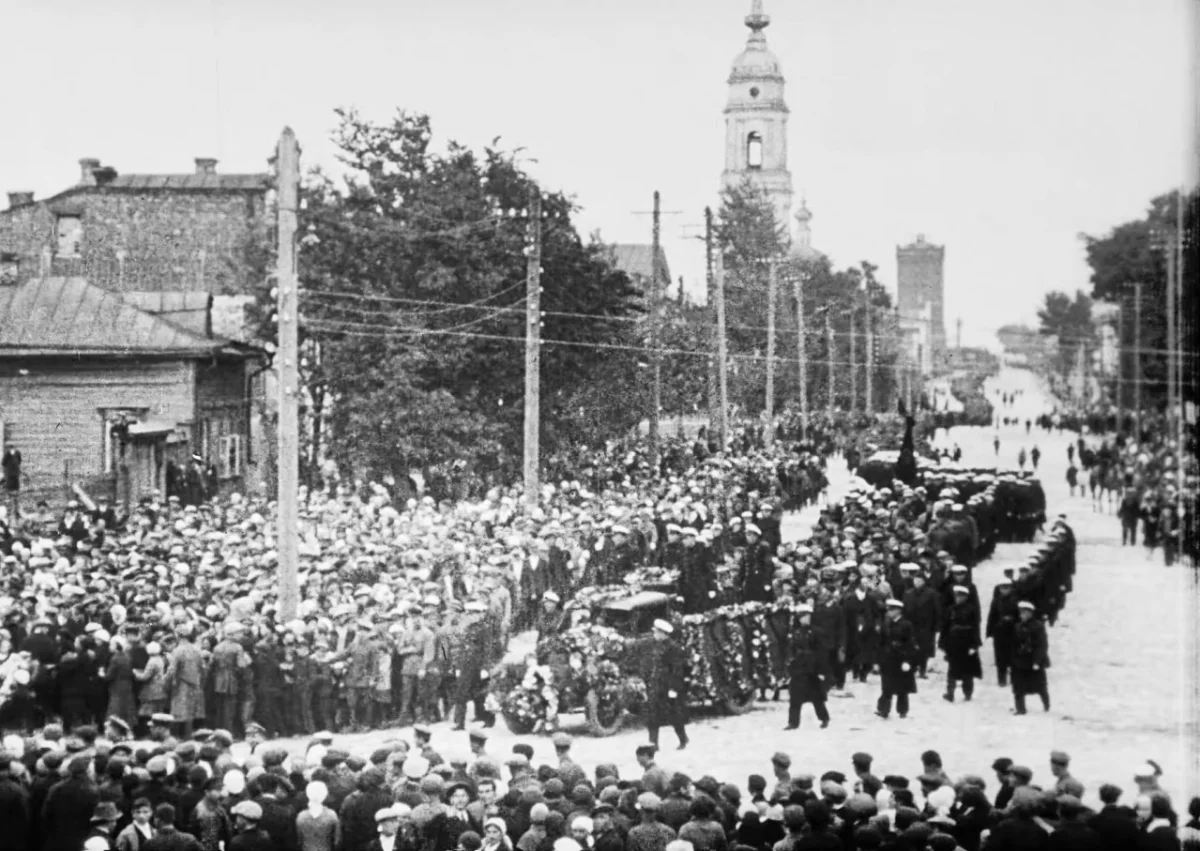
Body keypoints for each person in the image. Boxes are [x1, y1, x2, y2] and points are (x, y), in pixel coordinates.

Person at [783, 603, 831, 731]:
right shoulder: (793, 633)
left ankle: (824, 718)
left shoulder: (816, 632)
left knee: (817, 697)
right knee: (794, 698)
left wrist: (822, 670)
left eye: (808, 616)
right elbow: (789, 650)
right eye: (803, 616)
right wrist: (790, 666)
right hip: (798, 669)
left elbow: (822, 652)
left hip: (812, 669)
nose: (806, 618)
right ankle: (793, 722)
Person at [644, 619, 689, 750]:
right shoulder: (655, 645)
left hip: (668, 685)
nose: (654, 634)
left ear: (663, 633)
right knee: (652, 715)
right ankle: (653, 744)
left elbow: (677, 670)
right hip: (656, 684)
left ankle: (683, 739)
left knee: (674, 715)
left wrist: (674, 688)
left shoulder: (674, 648)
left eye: (656, 632)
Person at [875, 600, 918, 721]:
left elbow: (910, 644)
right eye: (888, 609)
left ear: (898, 611)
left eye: (891, 610)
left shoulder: (906, 625)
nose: (888, 612)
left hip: (900, 659)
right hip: (887, 659)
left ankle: (902, 711)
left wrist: (907, 661)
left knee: (902, 688)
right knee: (886, 686)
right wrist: (877, 660)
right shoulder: (886, 624)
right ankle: (884, 710)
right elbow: (881, 643)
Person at [1010, 601, 1051, 715]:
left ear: (1030, 613)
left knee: (1040, 686)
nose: (1022, 615)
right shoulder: (1017, 626)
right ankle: (1020, 709)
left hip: (1033, 661)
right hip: (1020, 661)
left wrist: (1037, 661)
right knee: (1018, 687)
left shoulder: (1038, 626)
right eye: (1021, 613)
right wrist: (1012, 659)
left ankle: (1046, 705)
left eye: (1025, 613)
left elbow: (1042, 645)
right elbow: (1014, 644)